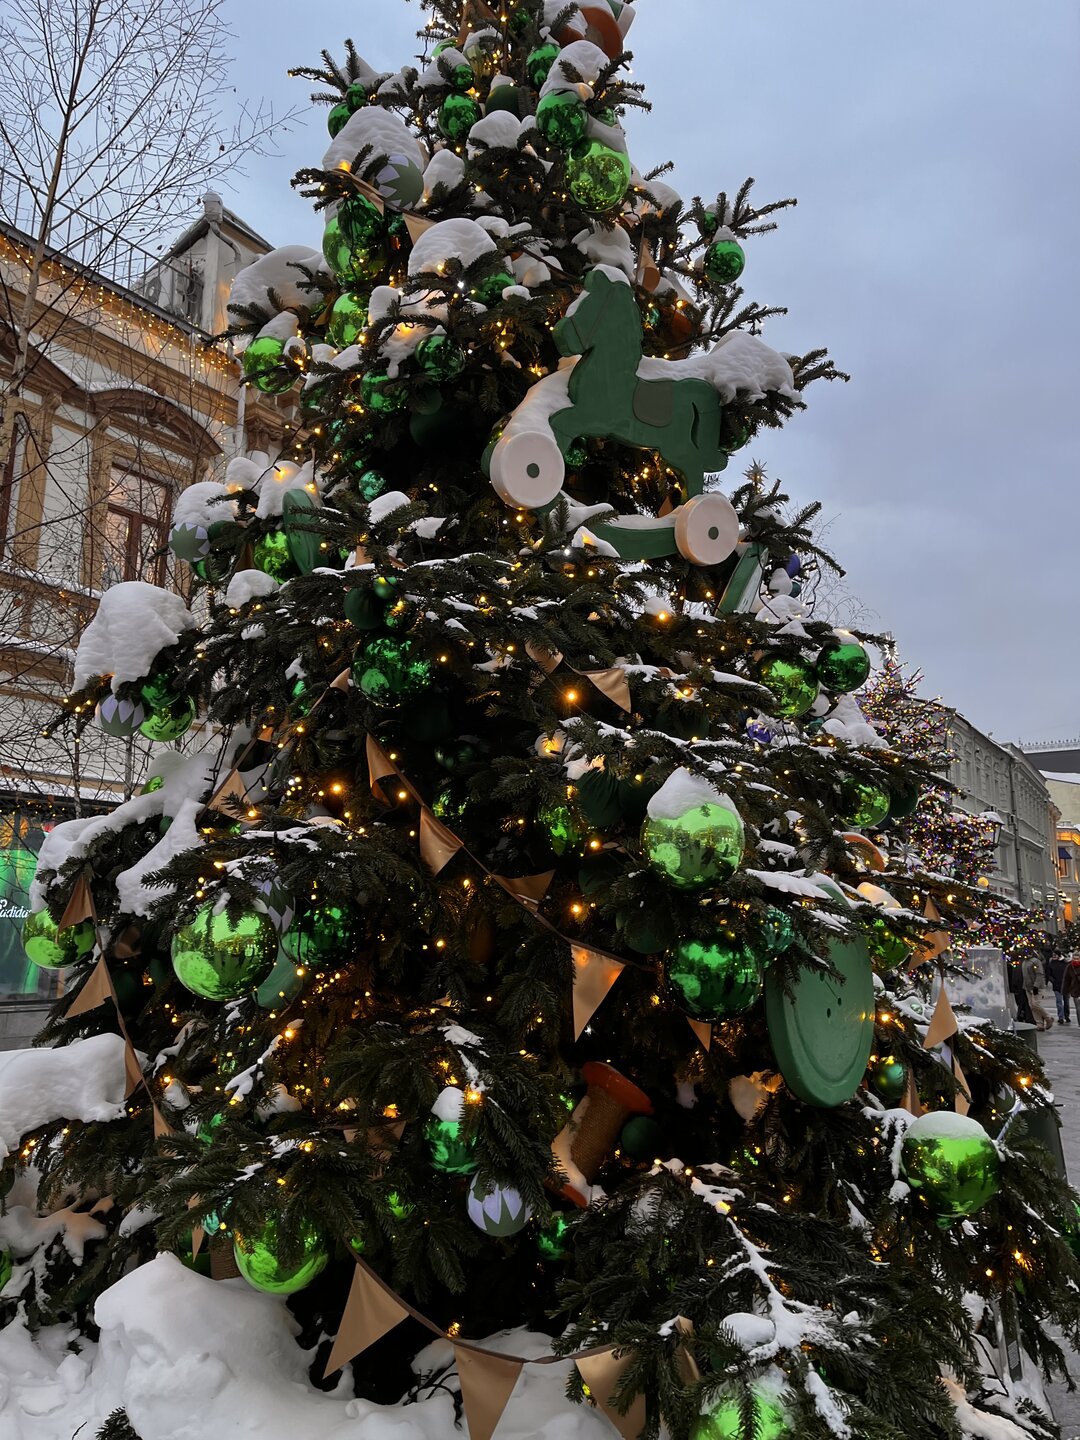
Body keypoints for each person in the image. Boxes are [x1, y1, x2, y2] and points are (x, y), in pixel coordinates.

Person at [1023, 954, 1054, 1031]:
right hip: (1028, 987)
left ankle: (1048, 1017)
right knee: (1032, 1006)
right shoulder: (1025, 962)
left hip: (1037, 987)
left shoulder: (1035, 961)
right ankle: (1039, 1024)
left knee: (1035, 1004)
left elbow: (1039, 974)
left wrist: (1036, 986)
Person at [1048, 951, 1071, 1024]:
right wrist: (1053, 981)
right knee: (1059, 1001)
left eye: (1055, 955)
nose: (1054, 956)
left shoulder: (1065, 963)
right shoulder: (1051, 963)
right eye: (1053, 955)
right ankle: (1061, 1017)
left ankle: (1066, 1016)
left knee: (1066, 1002)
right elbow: (1048, 974)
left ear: (1059, 955)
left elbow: (1069, 973)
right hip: (1057, 985)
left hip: (1066, 985)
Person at [1062, 954, 1080, 1021]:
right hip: (1075, 990)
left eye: (1077, 959)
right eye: (1074, 959)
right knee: (1078, 1008)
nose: (1076, 960)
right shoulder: (1069, 967)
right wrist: (1065, 991)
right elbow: (1066, 980)